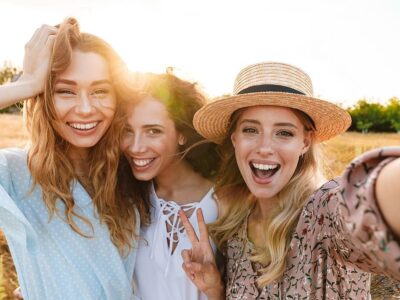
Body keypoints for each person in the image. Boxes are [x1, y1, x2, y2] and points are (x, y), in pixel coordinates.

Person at [179, 62, 400, 299]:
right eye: (250, 130)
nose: (264, 148)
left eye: (284, 132)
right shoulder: (236, 229)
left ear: (305, 143)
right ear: (235, 139)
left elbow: (368, 199)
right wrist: (215, 290)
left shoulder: (323, 213)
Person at [0, 18, 148, 299]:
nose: (85, 108)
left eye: (100, 91)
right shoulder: (17, 174)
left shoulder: (133, 172)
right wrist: (28, 81)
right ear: (43, 97)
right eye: (65, 91)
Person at [119, 72, 220, 300]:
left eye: (153, 131)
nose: (136, 147)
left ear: (182, 134)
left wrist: (217, 291)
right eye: (127, 130)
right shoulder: (125, 200)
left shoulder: (224, 203)